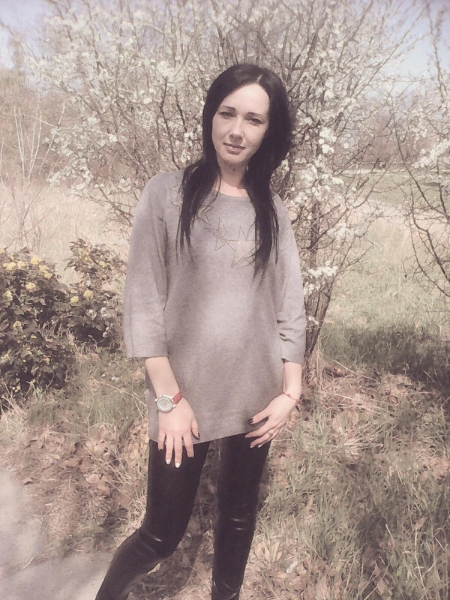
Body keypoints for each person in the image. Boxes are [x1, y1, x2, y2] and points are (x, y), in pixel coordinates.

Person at [96, 63, 306, 600]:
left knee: (237, 518)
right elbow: (144, 300)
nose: (236, 131)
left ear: (269, 131)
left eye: (253, 120)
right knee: (160, 535)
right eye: (227, 113)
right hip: (182, 399)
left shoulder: (272, 210)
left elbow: (289, 304)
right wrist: (169, 400)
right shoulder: (166, 195)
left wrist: (290, 391)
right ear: (211, 116)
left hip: (257, 398)